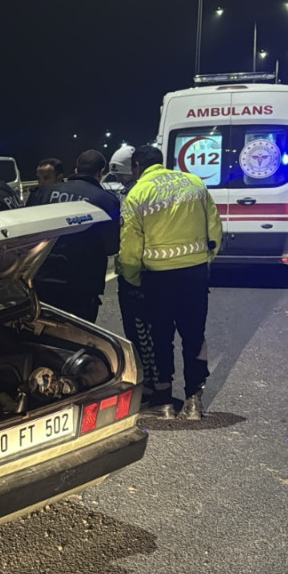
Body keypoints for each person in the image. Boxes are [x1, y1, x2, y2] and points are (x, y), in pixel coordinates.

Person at [118, 145, 222, 420]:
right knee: (194, 336)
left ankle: (163, 401)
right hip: (194, 274)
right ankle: (194, 401)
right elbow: (215, 228)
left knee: (160, 338)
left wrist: (132, 279)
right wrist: (204, 260)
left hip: (157, 279)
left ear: (138, 167)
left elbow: (130, 246)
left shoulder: (138, 193)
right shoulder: (195, 183)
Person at [26, 149, 120, 322]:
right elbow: (111, 247)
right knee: (79, 337)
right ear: (101, 173)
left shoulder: (43, 193)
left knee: (42, 331)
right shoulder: (107, 201)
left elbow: (27, 236)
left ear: (76, 169)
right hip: (83, 286)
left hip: (43, 278)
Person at [109, 143, 158, 391]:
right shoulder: (155, 191)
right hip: (156, 270)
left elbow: (129, 240)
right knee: (151, 332)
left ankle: (147, 382)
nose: (118, 180)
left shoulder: (135, 195)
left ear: (134, 170)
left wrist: (130, 278)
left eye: (120, 175)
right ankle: (156, 381)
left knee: (140, 332)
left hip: (138, 274)